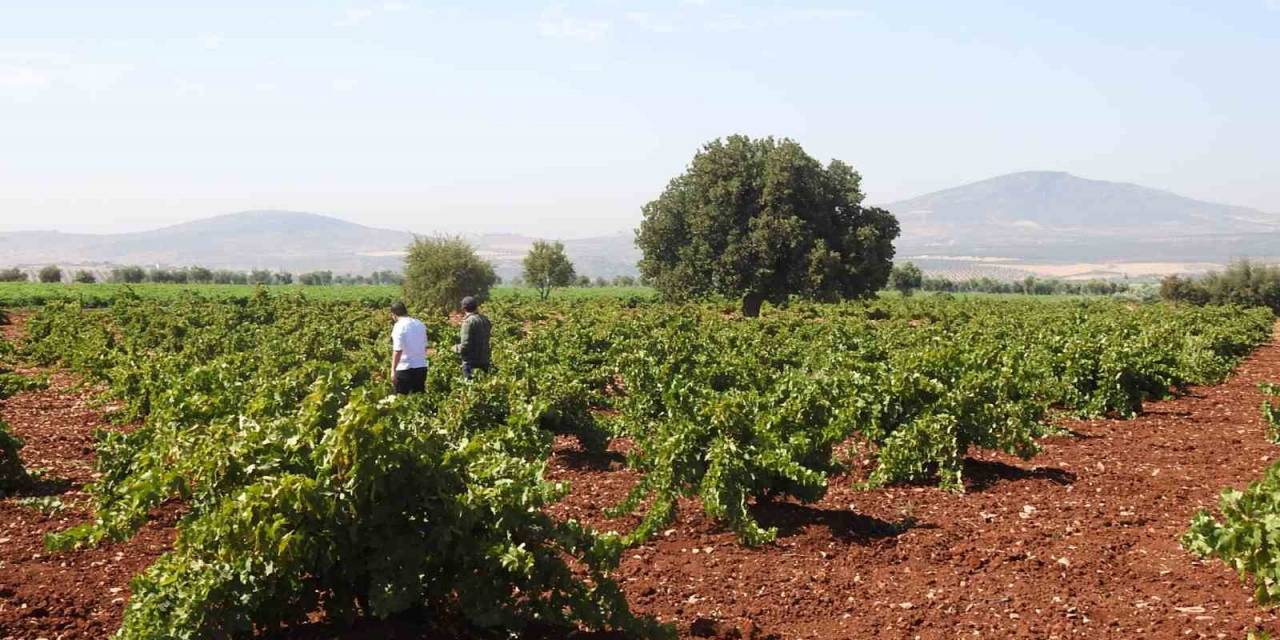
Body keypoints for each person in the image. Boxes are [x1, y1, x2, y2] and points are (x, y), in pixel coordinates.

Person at [389, 301, 428, 394]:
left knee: (402, 402)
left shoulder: (399, 326)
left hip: (404, 368)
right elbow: (425, 346)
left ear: (393, 314)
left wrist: (393, 371)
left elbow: (398, 350)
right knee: (418, 400)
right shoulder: (420, 324)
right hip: (421, 367)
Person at [453, 295, 491, 379]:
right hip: (485, 359)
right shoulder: (485, 319)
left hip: (471, 362)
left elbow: (465, 345)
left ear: (464, 308)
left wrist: (455, 348)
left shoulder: (468, 322)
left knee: (470, 388)